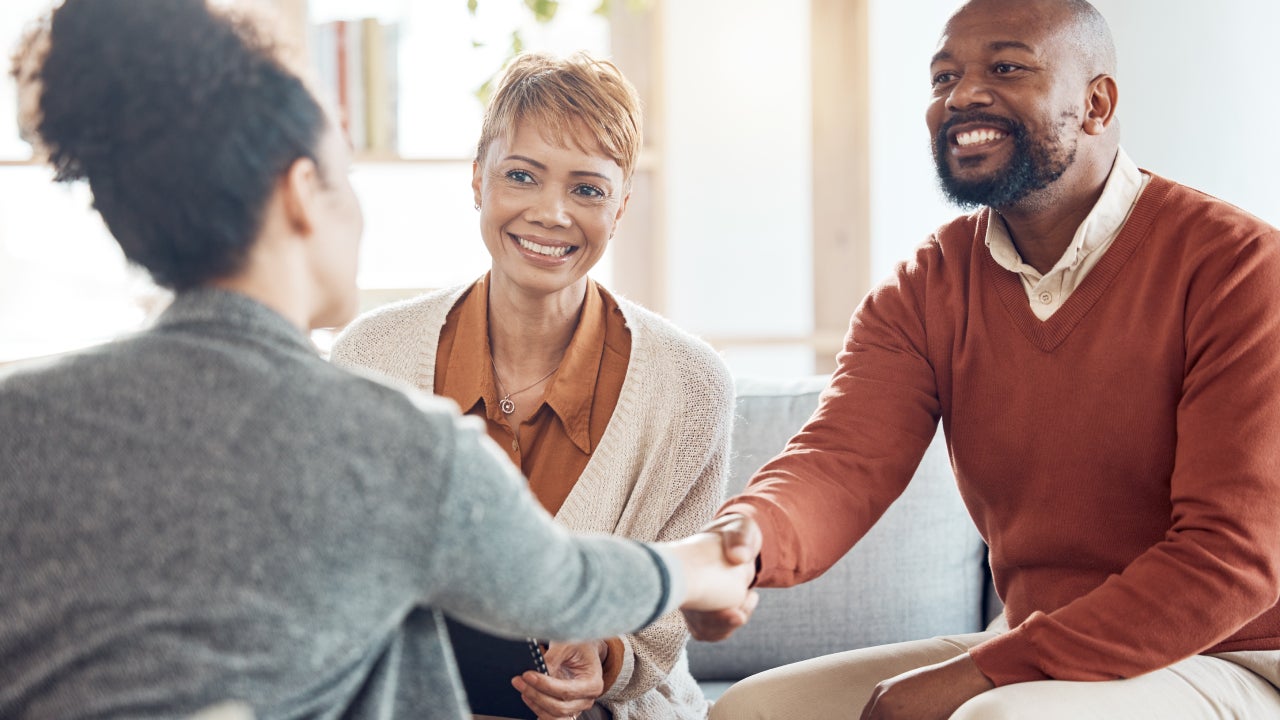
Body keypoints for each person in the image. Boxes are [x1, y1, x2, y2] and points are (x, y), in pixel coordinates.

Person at [0, 2, 754, 718]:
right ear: (303, 196)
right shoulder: (387, 436)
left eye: (585, 186)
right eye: (347, 176)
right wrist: (708, 565)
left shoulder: (18, 418)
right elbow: (566, 581)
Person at [684, 0, 1280, 718]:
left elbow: (1231, 559)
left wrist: (983, 676)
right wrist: (742, 543)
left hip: (1233, 653)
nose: (961, 95)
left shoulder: (1240, 268)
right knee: (753, 712)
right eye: (943, 77)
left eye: (1006, 67)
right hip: (1041, 645)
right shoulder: (925, 288)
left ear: (1096, 103)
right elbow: (839, 461)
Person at [330, 51, 734, 720]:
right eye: (522, 176)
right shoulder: (369, 356)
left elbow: (665, 624)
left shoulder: (690, 384)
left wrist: (603, 661)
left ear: (621, 206)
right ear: (477, 182)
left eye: (587, 189)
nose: (551, 213)